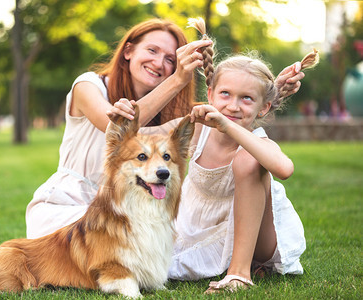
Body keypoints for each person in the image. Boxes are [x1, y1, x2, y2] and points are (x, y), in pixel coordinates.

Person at [110, 19, 318, 293]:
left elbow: (284, 169)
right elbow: (144, 135)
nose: (233, 105)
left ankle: (239, 274)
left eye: (246, 99)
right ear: (209, 95)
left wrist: (226, 125)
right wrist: (123, 116)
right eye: (225, 94)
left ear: (263, 108)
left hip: (261, 240)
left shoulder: (257, 142)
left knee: (248, 160)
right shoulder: (197, 129)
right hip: (200, 226)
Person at [26, 19, 213, 239]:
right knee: (122, 233)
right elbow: (116, 130)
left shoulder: (173, 118)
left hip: (128, 212)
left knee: (185, 235)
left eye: (170, 59)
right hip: (65, 207)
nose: (159, 62)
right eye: (152, 50)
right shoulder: (88, 86)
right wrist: (178, 80)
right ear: (128, 51)